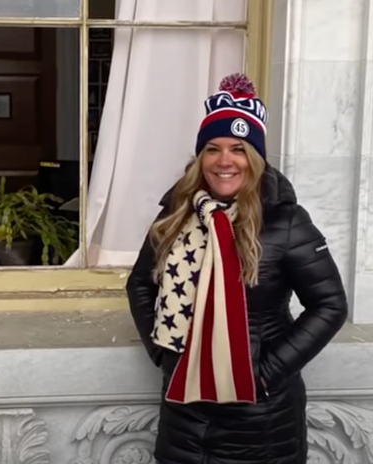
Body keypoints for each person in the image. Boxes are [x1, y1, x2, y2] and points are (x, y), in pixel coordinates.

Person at [126, 73, 348, 464]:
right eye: (212, 148)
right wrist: (166, 356)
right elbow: (140, 285)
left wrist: (265, 372)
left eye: (238, 149)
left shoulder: (287, 221)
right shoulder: (177, 214)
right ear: (200, 158)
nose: (224, 161)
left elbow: (329, 305)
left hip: (260, 418)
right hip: (185, 410)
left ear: (255, 158)